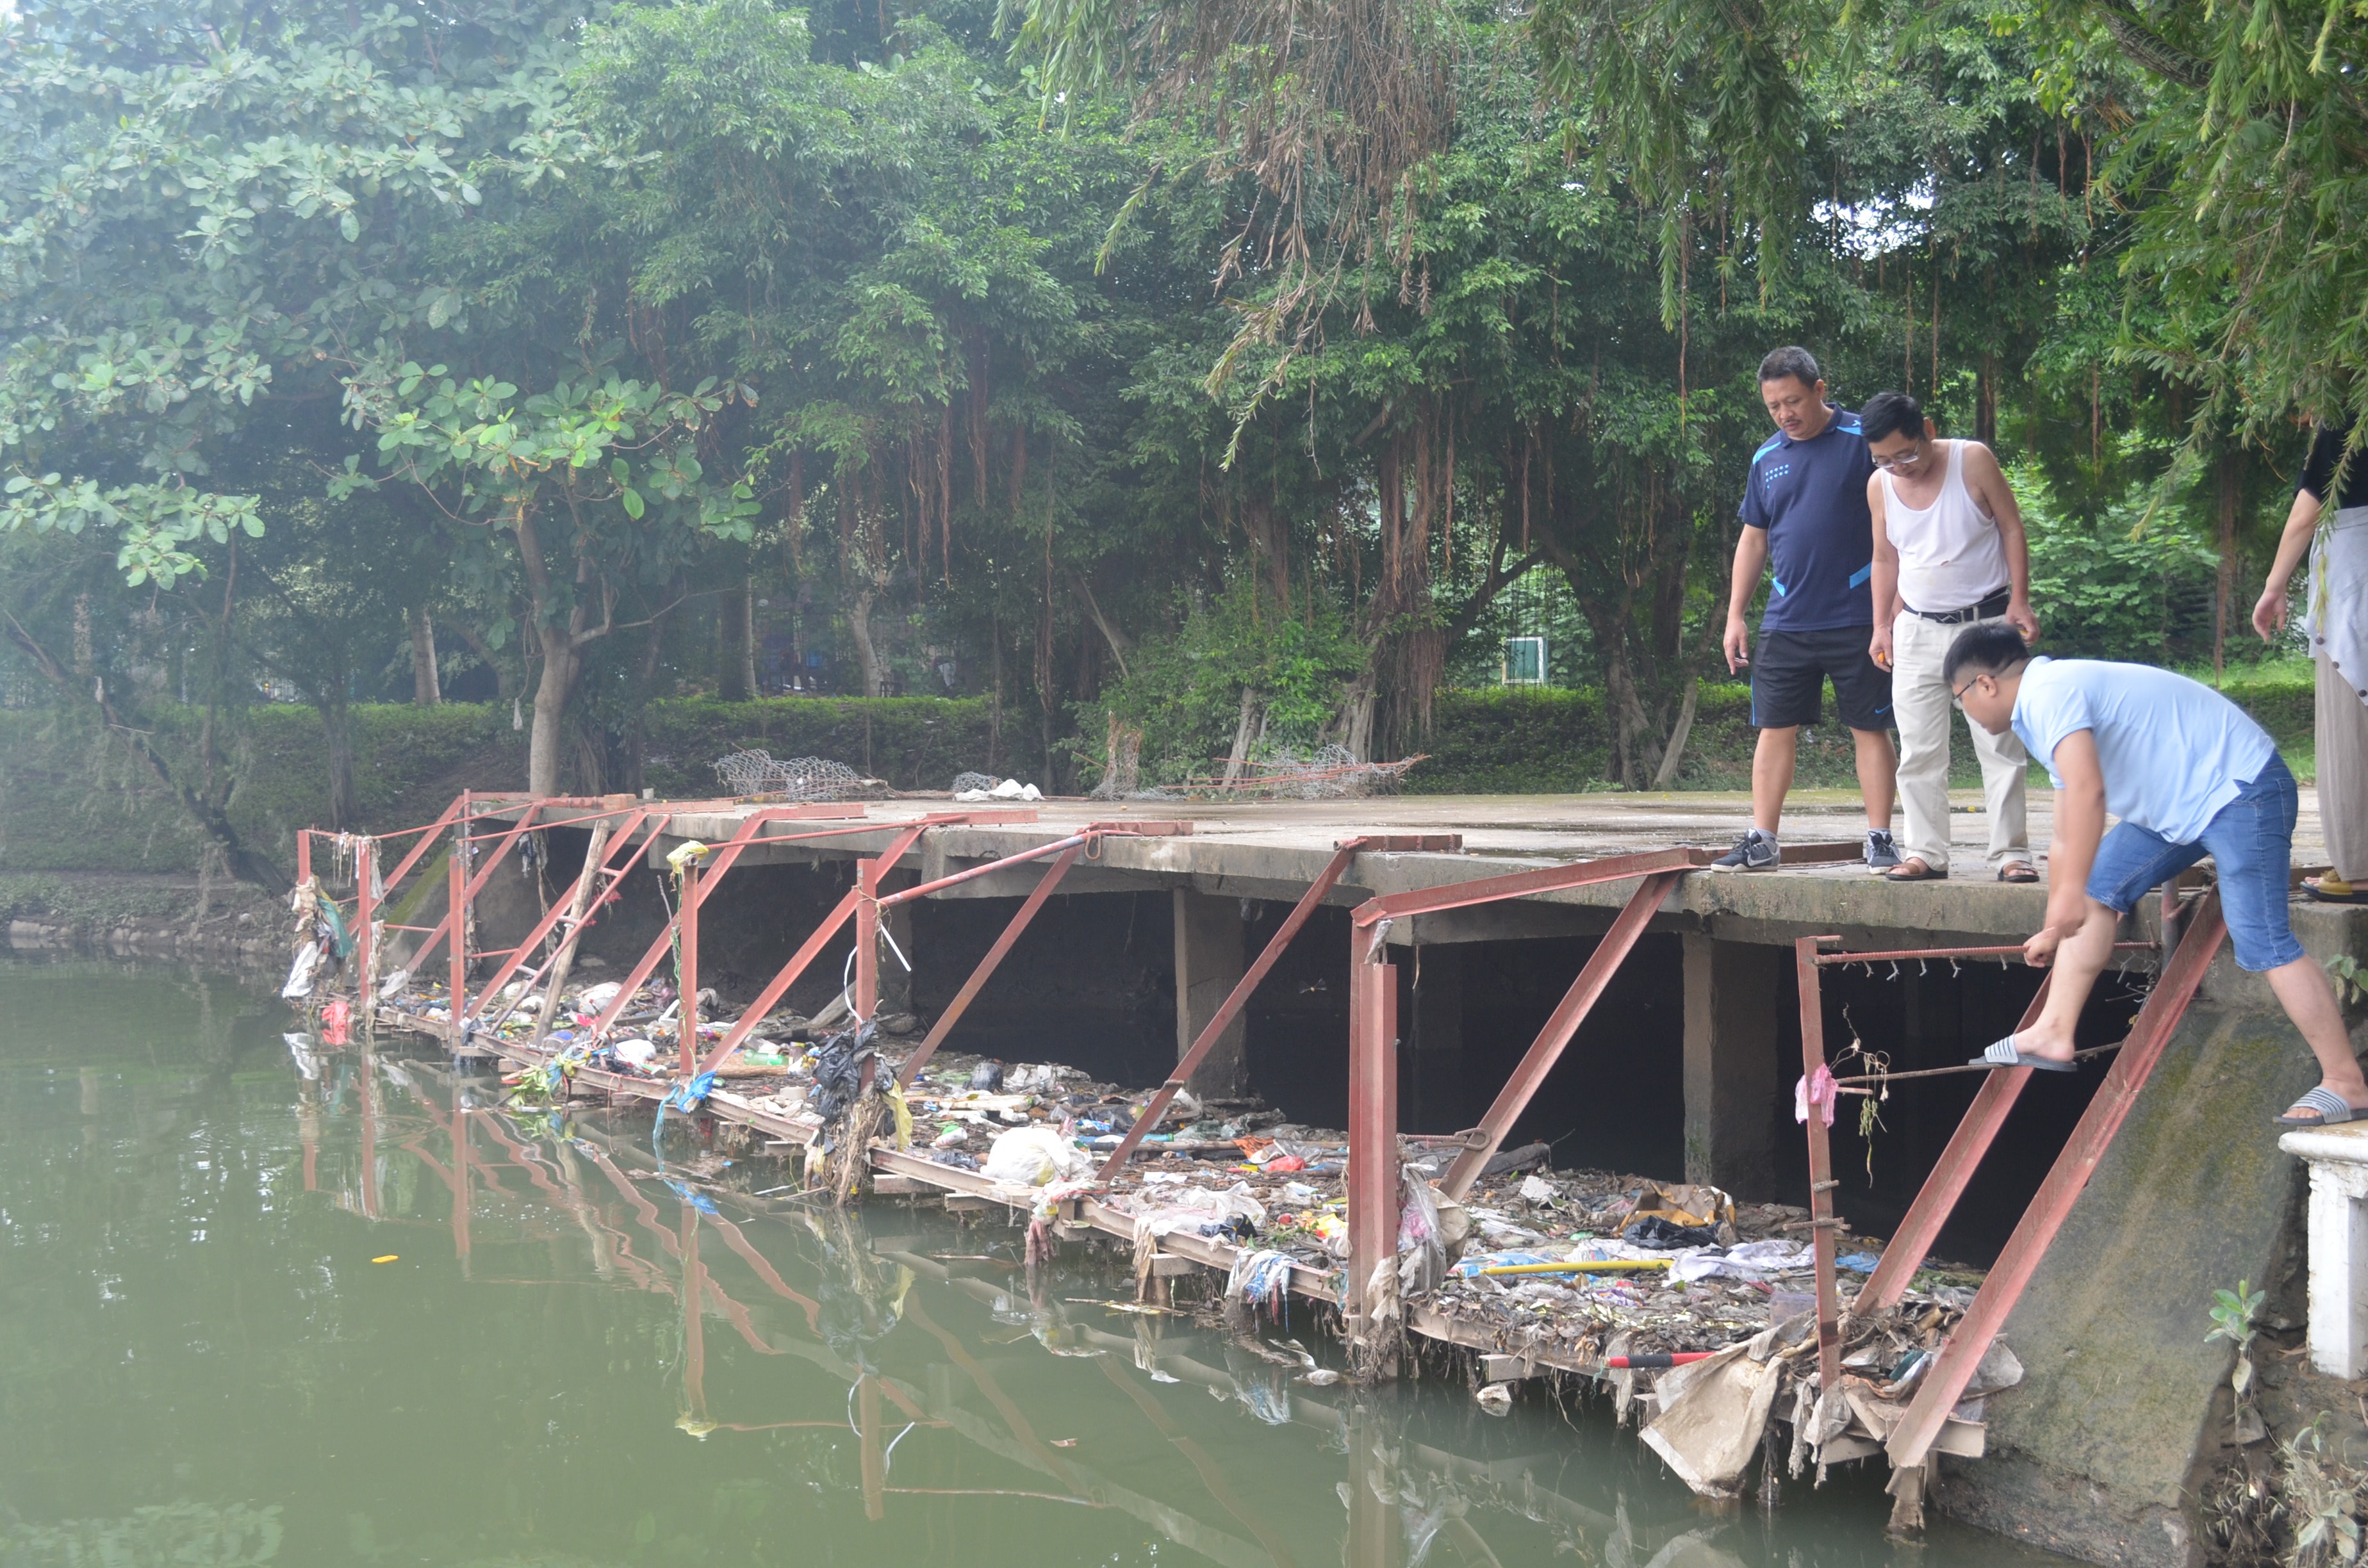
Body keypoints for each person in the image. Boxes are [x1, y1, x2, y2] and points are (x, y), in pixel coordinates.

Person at [1942, 621, 2365, 1126]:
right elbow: (2065, 827)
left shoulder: (2049, 692)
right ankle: (2054, 1031)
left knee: (2263, 939)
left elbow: (2088, 793)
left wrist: (2066, 897)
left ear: (1984, 684)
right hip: (2179, 809)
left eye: (1958, 699)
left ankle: (2347, 1082)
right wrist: (2060, 915)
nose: (1964, 711)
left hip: (2241, 790)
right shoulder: (2038, 712)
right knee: (2099, 886)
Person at [1714, 346, 1900, 872]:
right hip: (1787, 619)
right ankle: (1763, 839)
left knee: (1869, 726)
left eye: (1793, 401)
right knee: (1774, 728)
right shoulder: (1766, 457)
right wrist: (1736, 615)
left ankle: (1880, 837)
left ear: (1820, 390)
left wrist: (1892, 612)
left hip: (1860, 615)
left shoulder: (1865, 440)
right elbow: (1753, 540)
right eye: (1773, 406)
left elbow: (1905, 519)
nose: (1784, 414)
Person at [1861, 390, 2039, 884]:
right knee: (1918, 747)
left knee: (1999, 741)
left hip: (1984, 624)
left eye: (1907, 453)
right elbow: (1885, 557)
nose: (1900, 467)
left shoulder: (1972, 460)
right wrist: (1881, 625)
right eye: (1884, 459)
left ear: (1929, 430)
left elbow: (2011, 527)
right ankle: (1925, 853)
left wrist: (2019, 600)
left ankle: (2010, 853)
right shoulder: (1880, 485)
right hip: (1916, 625)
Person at [2253, 420, 2368, 904]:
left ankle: (2360, 867)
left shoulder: (2349, 419)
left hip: (2355, 580)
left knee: (2350, 727)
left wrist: (2274, 586)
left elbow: (2306, 513)